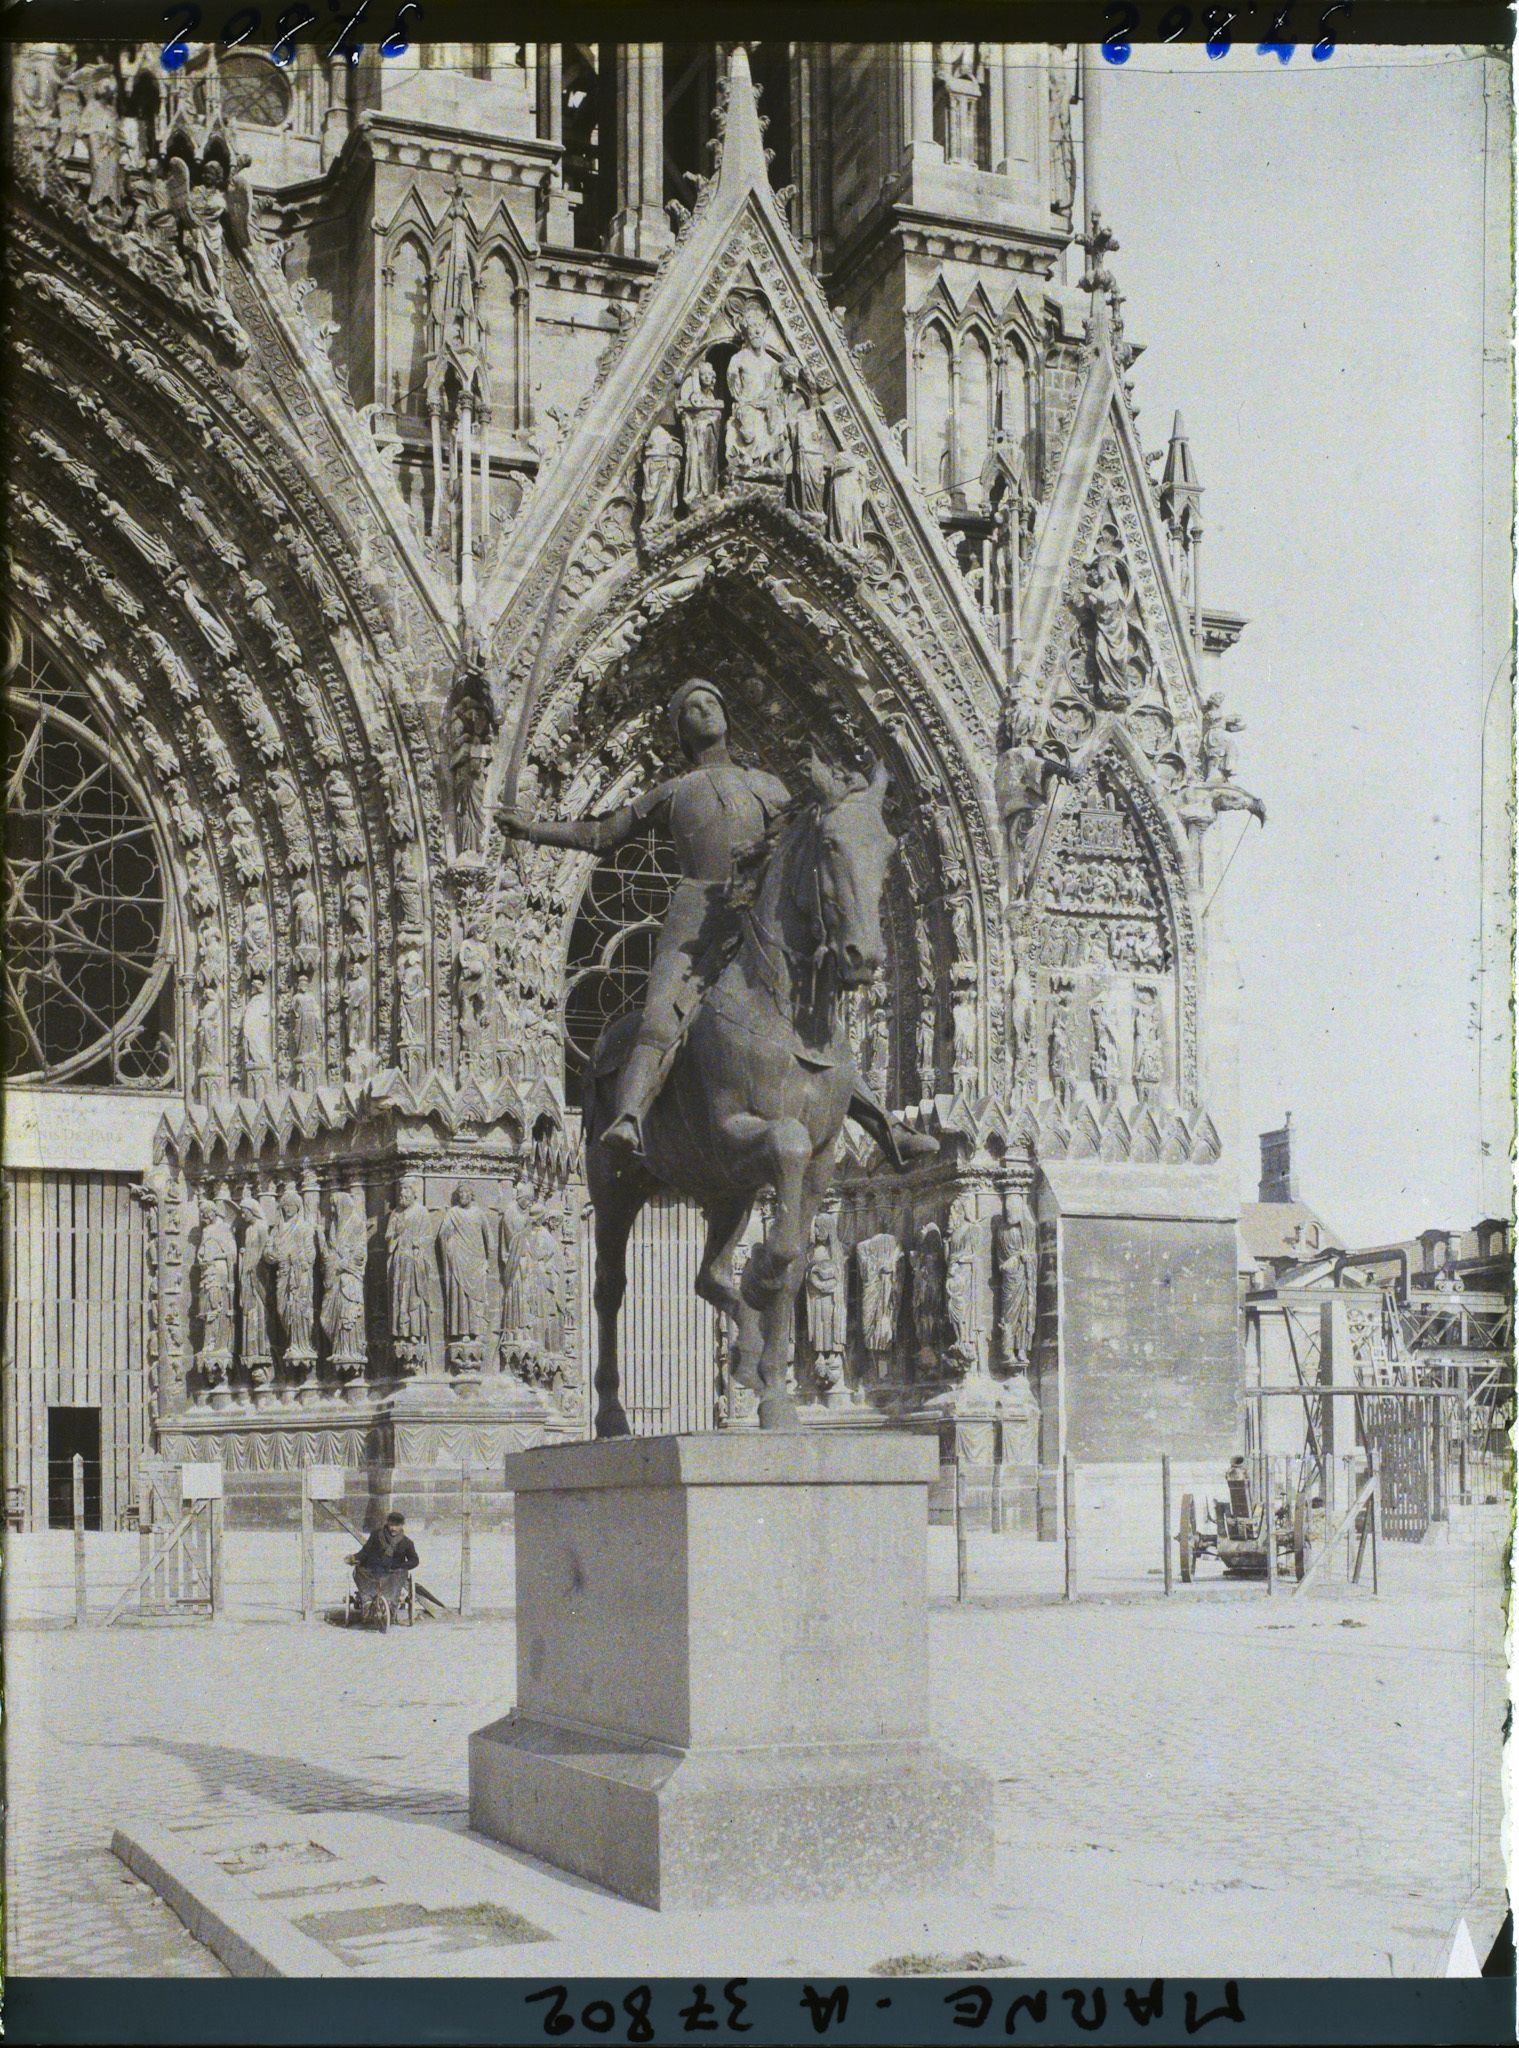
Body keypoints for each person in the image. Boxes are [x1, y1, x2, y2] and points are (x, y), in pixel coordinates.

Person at [503, 677, 935, 1171]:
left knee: (812, 1024)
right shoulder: (674, 790)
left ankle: (887, 1127)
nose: (705, 710)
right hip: (695, 917)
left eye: (712, 702)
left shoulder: (769, 786)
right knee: (661, 1013)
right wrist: (533, 829)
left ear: (728, 714)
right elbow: (603, 834)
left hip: (756, 912)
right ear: (682, 731)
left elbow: (801, 840)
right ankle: (630, 1115)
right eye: (691, 708)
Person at [349, 1513, 419, 1626]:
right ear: (387, 1523)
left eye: (397, 1525)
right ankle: (367, 1600)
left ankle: (390, 1606)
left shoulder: (407, 1543)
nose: (393, 1528)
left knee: (400, 1574)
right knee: (359, 1570)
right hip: (373, 1570)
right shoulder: (376, 1535)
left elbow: (414, 1560)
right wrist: (354, 1557)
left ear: (402, 1526)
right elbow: (365, 1551)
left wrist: (401, 1566)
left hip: (393, 1574)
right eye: (391, 1525)